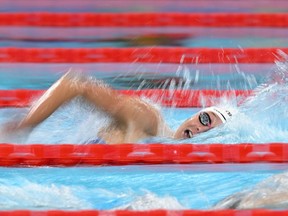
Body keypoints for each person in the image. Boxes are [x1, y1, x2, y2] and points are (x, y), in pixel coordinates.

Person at [4, 69, 233, 144]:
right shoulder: (149, 119)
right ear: (196, 114)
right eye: (206, 119)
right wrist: (21, 128)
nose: (202, 129)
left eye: (212, 133)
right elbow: (75, 83)